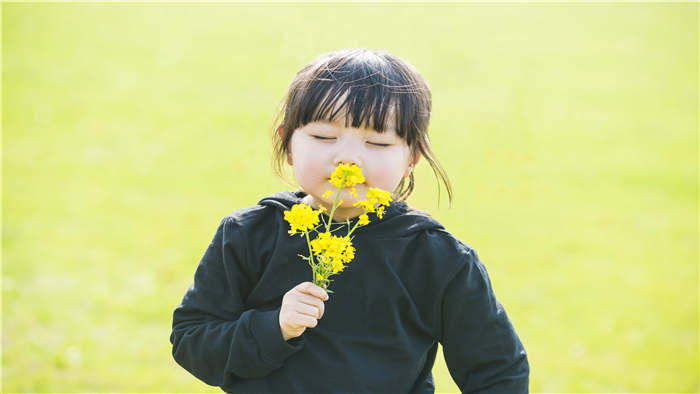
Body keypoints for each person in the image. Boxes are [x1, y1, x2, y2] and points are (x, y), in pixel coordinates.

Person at [170, 48, 529, 393]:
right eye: (324, 137)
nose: (348, 159)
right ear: (287, 145)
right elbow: (192, 340)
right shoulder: (249, 234)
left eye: (377, 143)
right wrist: (274, 327)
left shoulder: (437, 257)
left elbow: (498, 371)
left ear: (412, 159)